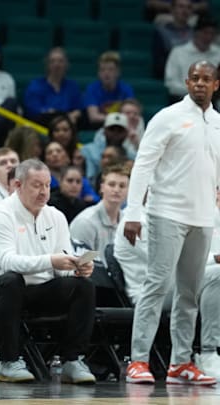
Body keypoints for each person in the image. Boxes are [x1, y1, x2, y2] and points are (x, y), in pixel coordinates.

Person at [123, 60, 220, 385]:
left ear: (216, 85)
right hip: (166, 212)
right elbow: (143, 165)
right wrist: (134, 211)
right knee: (157, 285)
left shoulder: (218, 123)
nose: (200, 84)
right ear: (186, 81)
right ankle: (138, 360)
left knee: (190, 293)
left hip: (204, 218)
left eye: (206, 79)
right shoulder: (169, 118)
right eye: (195, 78)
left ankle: (180, 363)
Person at [0, 159, 96, 384]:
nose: (44, 192)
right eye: (37, 185)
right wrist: (52, 260)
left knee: (83, 287)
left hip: (36, 290)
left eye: (48, 185)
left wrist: (76, 268)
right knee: (11, 281)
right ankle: (8, 362)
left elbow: (60, 268)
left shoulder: (56, 216)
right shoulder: (0, 214)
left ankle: (72, 360)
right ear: (18, 185)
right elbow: (7, 262)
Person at [70, 164, 130, 266]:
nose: (116, 190)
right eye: (111, 184)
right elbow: (78, 265)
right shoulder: (85, 222)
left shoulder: (128, 222)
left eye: (122, 186)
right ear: (102, 188)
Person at [164, 16, 220, 101]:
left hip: (213, 101)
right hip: (182, 99)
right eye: (205, 33)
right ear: (196, 32)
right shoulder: (178, 52)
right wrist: (197, 92)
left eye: (212, 34)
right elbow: (171, 84)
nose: (208, 37)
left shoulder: (218, 53)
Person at [23, 47, 83, 127]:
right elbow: (35, 112)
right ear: (47, 65)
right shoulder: (35, 85)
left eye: (60, 61)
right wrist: (59, 116)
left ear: (66, 64)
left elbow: (78, 109)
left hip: (67, 127)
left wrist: (73, 115)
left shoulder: (72, 86)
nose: (56, 64)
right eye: (52, 61)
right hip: (42, 127)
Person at [82, 51, 135, 129]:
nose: (106, 73)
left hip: (122, 128)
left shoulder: (126, 89)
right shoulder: (92, 89)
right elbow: (93, 117)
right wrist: (117, 119)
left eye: (111, 69)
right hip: (99, 128)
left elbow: (131, 114)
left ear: (118, 72)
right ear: (98, 73)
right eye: (102, 70)